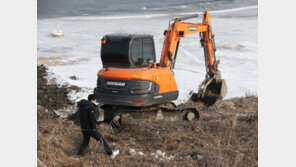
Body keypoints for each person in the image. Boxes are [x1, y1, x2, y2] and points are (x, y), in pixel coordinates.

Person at [77, 94, 119, 159]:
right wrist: (94, 127)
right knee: (102, 140)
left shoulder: (82, 106)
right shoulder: (90, 107)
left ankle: (78, 157)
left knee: (85, 143)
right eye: (95, 100)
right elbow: (91, 118)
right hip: (90, 128)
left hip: (84, 128)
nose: (95, 102)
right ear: (92, 100)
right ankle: (111, 154)